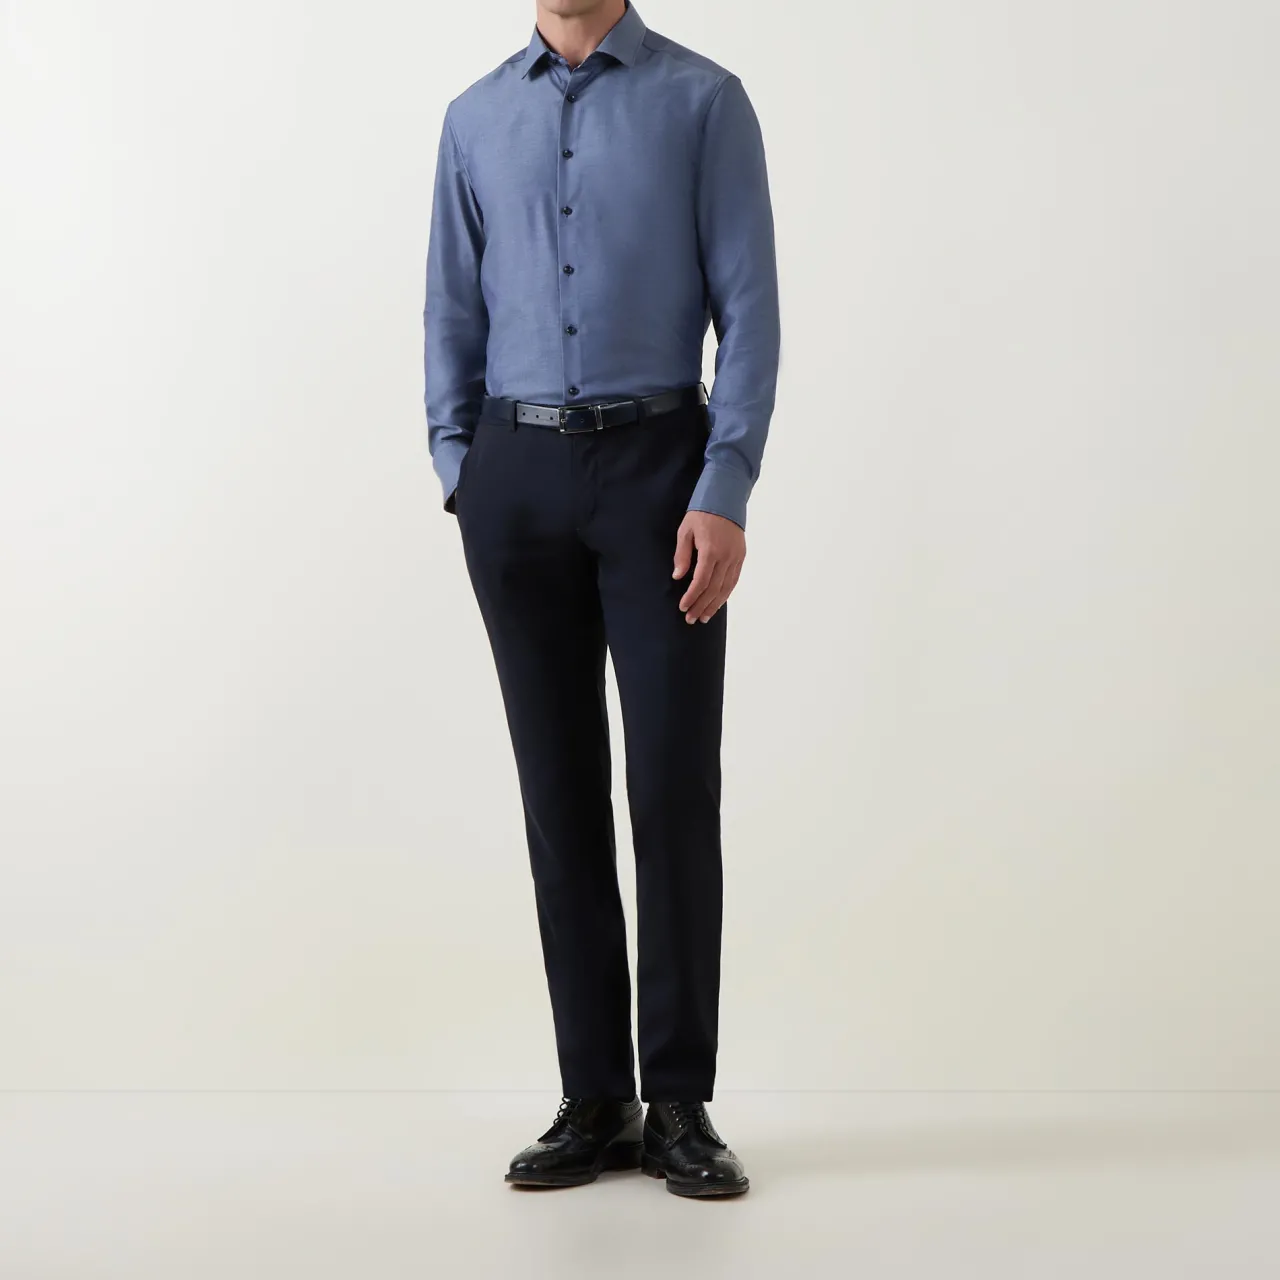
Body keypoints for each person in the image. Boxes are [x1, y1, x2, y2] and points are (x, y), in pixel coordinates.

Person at [423, 0, 779, 1198]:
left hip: (657, 472)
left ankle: (676, 1100)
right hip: (512, 476)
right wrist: (461, 471)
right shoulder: (473, 119)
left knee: (671, 784)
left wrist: (722, 486)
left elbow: (750, 309)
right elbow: (450, 307)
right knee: (557, 791)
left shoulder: (703, 101)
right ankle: (593, 1094)